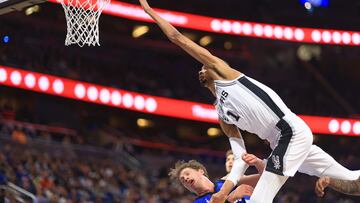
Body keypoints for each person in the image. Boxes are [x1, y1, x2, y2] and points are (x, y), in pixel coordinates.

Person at [138, 0, 360, 202]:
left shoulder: (224, 73)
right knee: (352, 179)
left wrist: (150, 12)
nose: (201, 67)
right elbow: (240, 158)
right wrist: (224, 192)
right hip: (281, 142)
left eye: (203, 64)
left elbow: (177, 37)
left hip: (289, 132)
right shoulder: (223, 115)